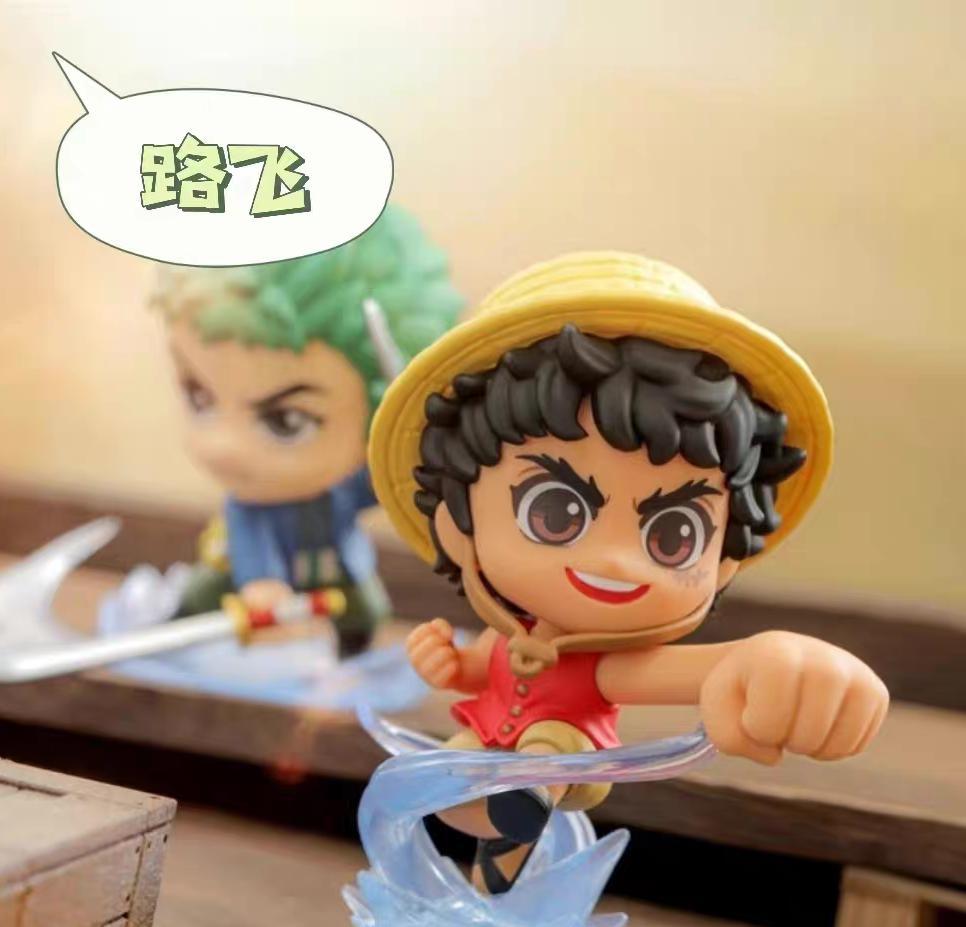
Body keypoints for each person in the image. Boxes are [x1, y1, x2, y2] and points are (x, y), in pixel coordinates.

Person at [367, 251, 888, 891]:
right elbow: (485, 667)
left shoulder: (604, 666)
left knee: (547, 752)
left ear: (724, 561)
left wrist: (774, 660)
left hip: (561, 751)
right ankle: (483, 869)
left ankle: (521, 813)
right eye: (555, 512)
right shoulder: (512, 636)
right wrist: (452, 664)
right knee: (450, 778)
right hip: (487, 736)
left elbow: (709, 670)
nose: (615, 560)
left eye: (673, 535)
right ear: (458, 522)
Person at [152, 207, 462, 656]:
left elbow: (386, 483)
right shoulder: (249, 506)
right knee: (203, 594)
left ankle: (352, 651)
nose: (222, 446)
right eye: (199, 397)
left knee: (365, 611)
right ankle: (173, 632)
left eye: (287, 421)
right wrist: (261, 584)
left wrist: (418, 451)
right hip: (246, 576)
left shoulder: (345, 487)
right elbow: (251, 538)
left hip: (336, 569)